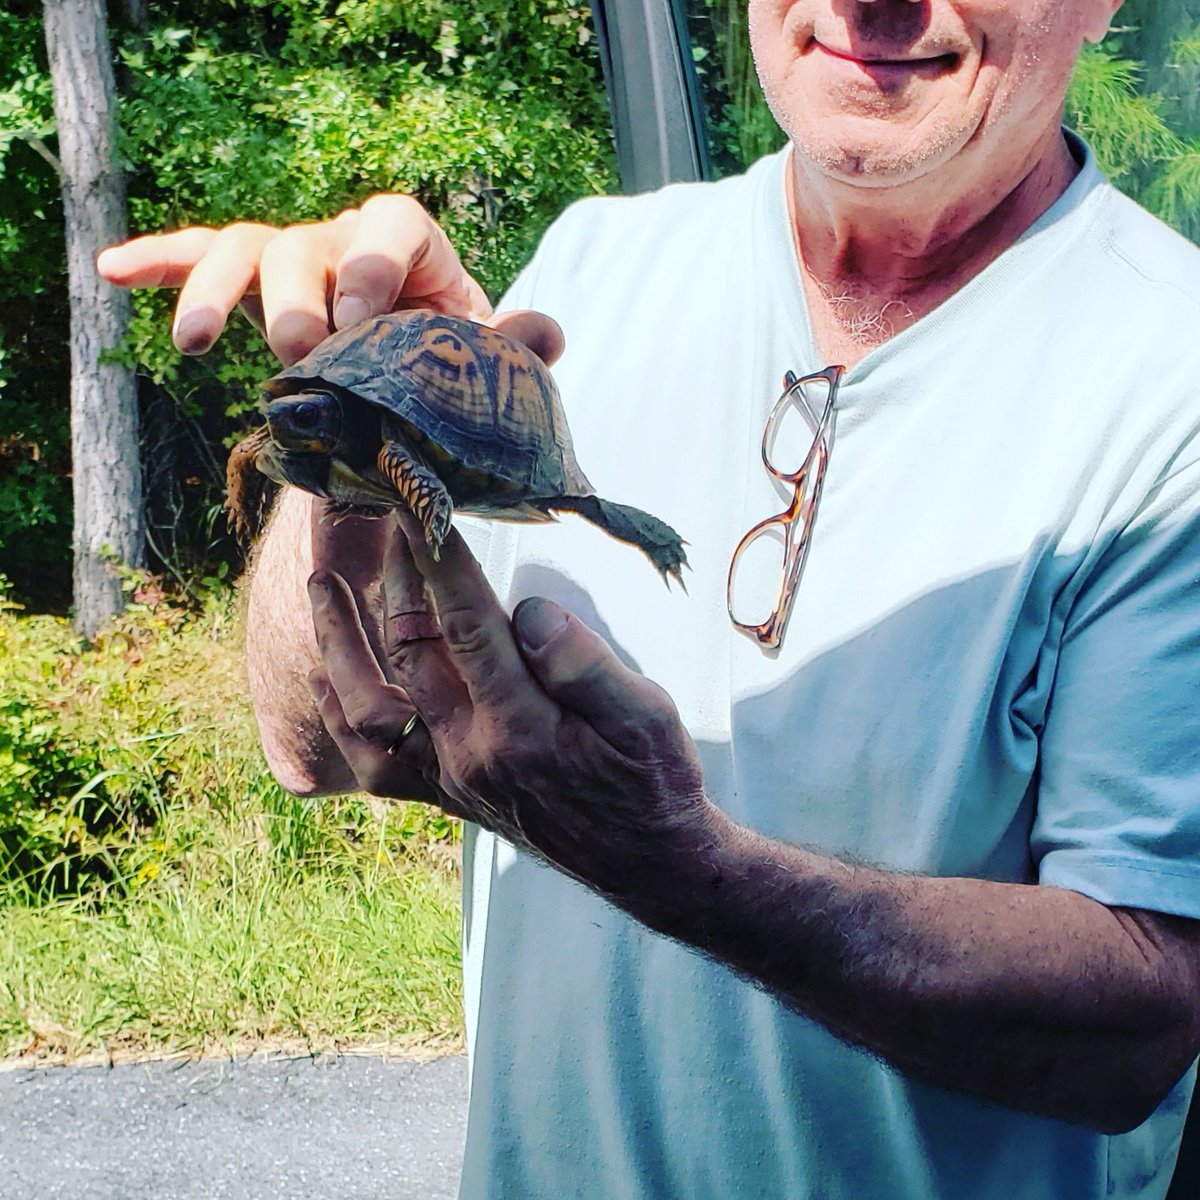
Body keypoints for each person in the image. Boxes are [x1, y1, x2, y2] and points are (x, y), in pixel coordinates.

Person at [99, 1, 1200, 1196]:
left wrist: (678, 866)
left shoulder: (1166, 378)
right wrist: (365, 428)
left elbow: (1139, 1020)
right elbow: (309, 736)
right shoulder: (595, 266)